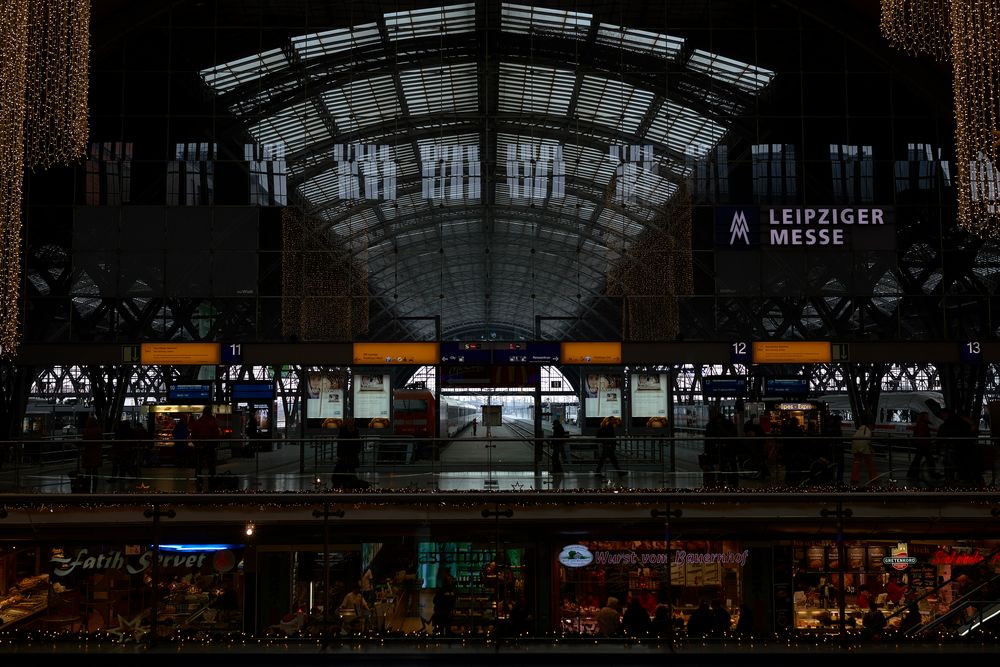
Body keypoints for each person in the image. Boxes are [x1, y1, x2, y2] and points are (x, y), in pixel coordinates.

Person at [190, 405, 221, 490]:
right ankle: (211, 481)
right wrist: (214, 445)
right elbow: (216, 435)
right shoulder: (213, 422)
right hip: (210, 448)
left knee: (198, 465)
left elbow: (193, 436)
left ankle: (199, 480)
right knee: (211, 466)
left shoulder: (197, 422)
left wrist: (197, 445)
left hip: (199, 448)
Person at [907, 411, 939, 482]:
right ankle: (932, 474)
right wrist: (928, 443)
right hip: (923, 445)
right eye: (926, 416)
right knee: (929, 460)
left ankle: (912, 474)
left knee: (917, 460)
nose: (928, 417)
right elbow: (921, 436)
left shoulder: (921, 424)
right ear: (923, 417)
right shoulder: (922, 425)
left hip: (921, 445)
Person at [332, 417, 363, 488]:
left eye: (352, 422)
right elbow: (340, 443)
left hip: (351, 454)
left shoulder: (348, 430)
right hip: (346, 454)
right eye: (350, 422)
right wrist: (339, 454)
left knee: (350, 470)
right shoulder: (351, 430)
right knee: (346, 470)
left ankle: (349, 485)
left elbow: (357, 443)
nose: (351, 423)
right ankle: (347, 485)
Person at [850, 416, 878, 488]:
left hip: (856, 449)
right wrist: (862, 449)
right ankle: (873, 478)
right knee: (870, 464)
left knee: (856, 463)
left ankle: (854, 478)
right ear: (870, 426)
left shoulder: (859, 430)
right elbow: (866, 440)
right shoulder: (868, 431)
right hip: (864, 450)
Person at [79, 414, 103, 493]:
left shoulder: (85, 431)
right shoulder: (99, 430)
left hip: (88, 453)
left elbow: (83, 441)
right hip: (96, 452)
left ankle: (87, 487)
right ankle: (94, 489)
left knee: (88, 471)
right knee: (95, 471)